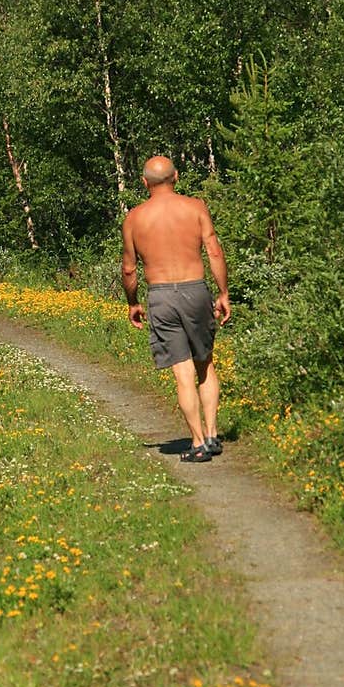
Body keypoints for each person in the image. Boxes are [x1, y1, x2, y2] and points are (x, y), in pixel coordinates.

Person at [120, 155, 231, 463]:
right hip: (195, 290)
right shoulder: (196, 207)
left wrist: (133, 303)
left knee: (183, 374)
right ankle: (211, 435)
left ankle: (197, 443)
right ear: (176, 177)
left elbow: (129, 270)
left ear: (144, 183)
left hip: (161, 296)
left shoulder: (134, 218)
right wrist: (223, 293)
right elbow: (214, 251)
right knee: (205, 364)